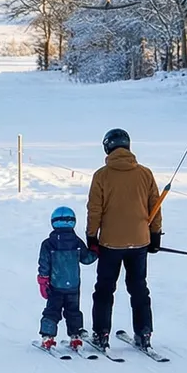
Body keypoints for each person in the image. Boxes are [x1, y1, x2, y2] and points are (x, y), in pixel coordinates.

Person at [86, 127, 162, 351]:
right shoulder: (145, 173)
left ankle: (101, 333)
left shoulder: (101, 175)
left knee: (104, 289)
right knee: (139, 289)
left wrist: (91, 237)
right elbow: (155, 207)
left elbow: (94, 210)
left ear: (107, 147)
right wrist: (155, 235)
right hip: (139, 242)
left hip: (110, 243)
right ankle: (144, 333)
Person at [37, 205, 97, 352]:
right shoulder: (76, 242)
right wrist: (95, 251)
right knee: (73, 311)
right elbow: (86, 259)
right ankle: (75, 337)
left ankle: (48, 337)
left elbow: (44, 264)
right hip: (73, 286)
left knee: (52, 311)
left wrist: (43, 280)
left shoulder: (48, 244)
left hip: (55, 286)